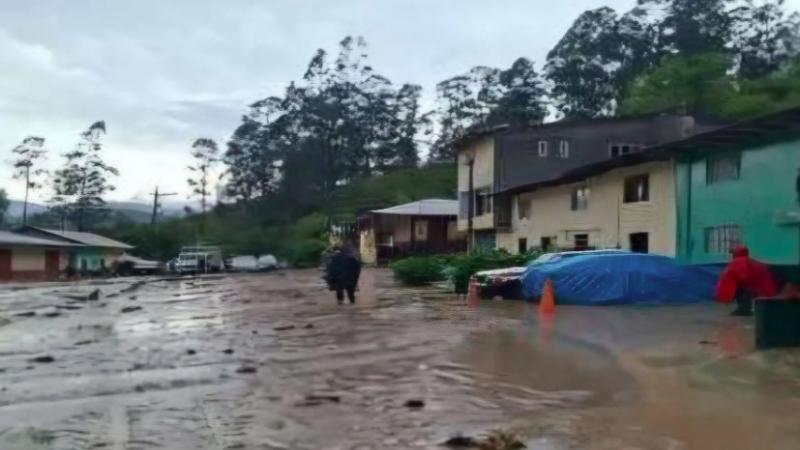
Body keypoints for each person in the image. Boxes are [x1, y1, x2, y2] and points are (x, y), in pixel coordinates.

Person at [715, 245, 778, 316]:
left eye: (733, 253)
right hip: (763, 283)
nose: (732, 255)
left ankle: (744, 310)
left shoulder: (738, 262)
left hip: (760, 285)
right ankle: (745, 309)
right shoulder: (747, 260)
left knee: (744, 289)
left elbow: (742, 277)